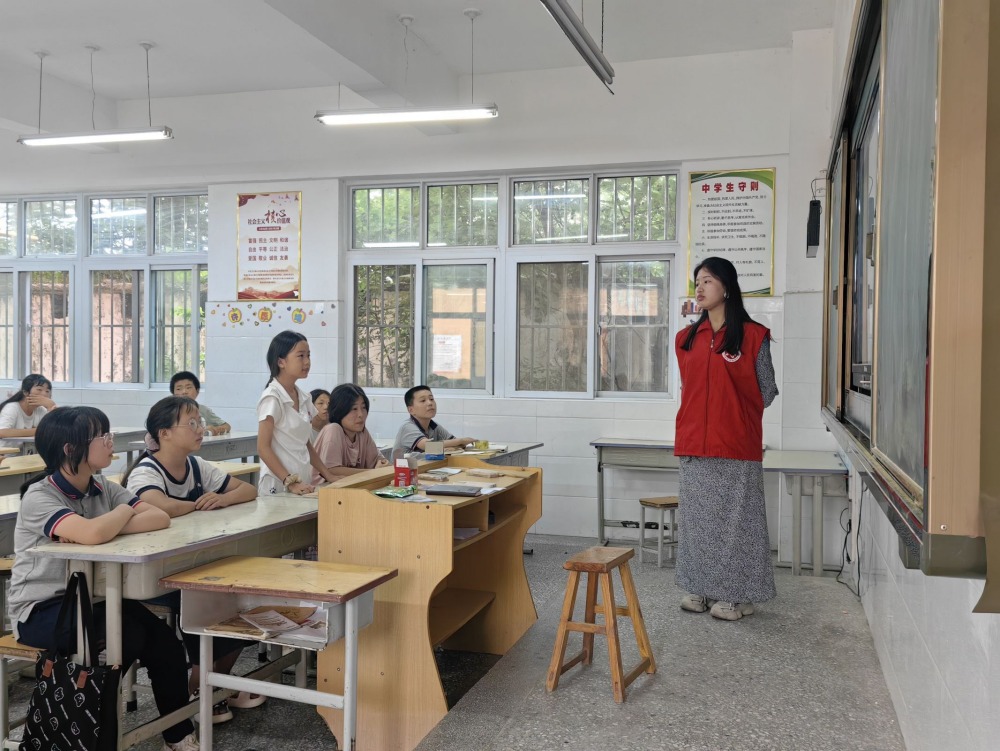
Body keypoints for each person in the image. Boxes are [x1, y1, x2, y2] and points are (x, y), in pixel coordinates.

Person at [7, 407, 201, 751]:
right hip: (42, 610)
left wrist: (104, 523)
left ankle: (177, 733)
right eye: (103, 437)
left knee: (166, 644)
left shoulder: (102, 487)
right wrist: (118, 516)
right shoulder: (41, 496)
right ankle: (91, 732)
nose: (112, 443)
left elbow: (158, 517)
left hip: (97, 600)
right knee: (125, 638)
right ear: (71, 448)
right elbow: (97, 533)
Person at [123, 395, 262, 723]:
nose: (201, 429)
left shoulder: (196, 466)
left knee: (238, 593)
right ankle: (204, 690)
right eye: (192, 424)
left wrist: (221, 499)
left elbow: (247, 490)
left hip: (190, 564)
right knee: (208, 597)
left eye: (200, 422)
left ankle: (209, 687)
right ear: (165, 433)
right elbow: (160, 507)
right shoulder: (146, 471)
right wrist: (202, 501)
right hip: (152, 573)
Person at [674, 256, 778, 622]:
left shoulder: (754, 336)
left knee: (737, 526)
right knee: (699, 524)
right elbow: (690, 390)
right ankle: (701, 589)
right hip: (694, 446)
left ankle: (736, 595)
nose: (699, 288)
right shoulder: (685, 339)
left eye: (708, 281)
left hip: (736, 446)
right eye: (697, 281)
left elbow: (767, 391)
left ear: (727, 288)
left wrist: (733, 416)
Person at [256, 330, 338, 495]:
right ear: (281, 362)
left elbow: (306, 444)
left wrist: (328, 474)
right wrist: (289, 481)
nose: (307, 362)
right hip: (278, 483)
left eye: (309, 355)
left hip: (301, 481)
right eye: (301, 356)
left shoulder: (304, 397)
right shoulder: (272, 398)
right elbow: (263, 447)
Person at [312, 384, 389, 484]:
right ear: (340, 410)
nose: (361, 415)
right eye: (354, 409)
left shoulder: (362, 432)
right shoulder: (333, 429)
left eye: (363, 407)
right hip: (320, 493)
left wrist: (382, 465)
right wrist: (373, 472)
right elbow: (332, 470)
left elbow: (379, 461)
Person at [392, 385, 476, 455]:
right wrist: (461, 440)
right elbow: (429, 446)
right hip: (402, 472)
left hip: (426, 469)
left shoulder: (434, 426)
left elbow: (455, 443)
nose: (430, 403)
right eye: (423, 400)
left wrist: (458, 443)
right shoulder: (407, 427)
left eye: (431, 399)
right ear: (411, 410)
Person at [0, 374, 57, 447]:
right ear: (25, 392)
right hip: (8, 456)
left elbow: (53, 431)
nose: (44, 394)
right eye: (39, 389)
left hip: (29, 455)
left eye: (47, 391)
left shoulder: (41, 410)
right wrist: (37, 431)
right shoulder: (12, 407)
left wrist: (51, 407)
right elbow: (2, 432)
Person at [170, 371, 231, 436]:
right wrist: (202, 429)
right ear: (173, 394)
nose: (184, 392)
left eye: (188, 387)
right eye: (179, 389)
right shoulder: (167, 411)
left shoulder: (203, 409)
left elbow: (226, 426)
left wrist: (214, 429)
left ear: (197, 391)